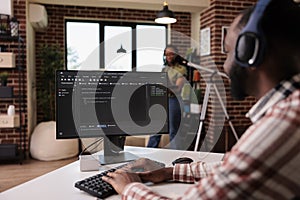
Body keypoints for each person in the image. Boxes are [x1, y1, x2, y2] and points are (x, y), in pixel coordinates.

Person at [102, 0, 300, 199]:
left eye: (229, 51)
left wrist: (129, 188)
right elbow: (231, 168)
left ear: (250, 53)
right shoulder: (289, 110)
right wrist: (170, 172)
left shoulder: (287, 120)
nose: (224, 65)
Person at [147, 44, 187, 149]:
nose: (169, 56)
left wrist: (165, 84)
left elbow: (177, 89)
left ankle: (176, 157)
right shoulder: (164, 69)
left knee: (174, 131)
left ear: (176, 55)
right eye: (167, 54)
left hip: (174, 100)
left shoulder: (181, 69)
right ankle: (148, 154)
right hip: (162, 100)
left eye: (171, 54)